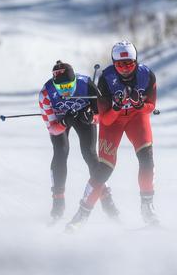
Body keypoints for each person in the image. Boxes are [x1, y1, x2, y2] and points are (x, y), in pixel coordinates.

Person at [66, 41, 158, 230]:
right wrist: (116, 107)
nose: (125, 69)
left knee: (147, 160)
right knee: (104, 169)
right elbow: (105, 120)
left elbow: (151, 106)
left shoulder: (146, 75)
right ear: (114, 63)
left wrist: (140, 105)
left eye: (129, 64)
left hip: (136, 119)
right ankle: (82, 214)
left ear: (136, 61)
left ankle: (147, 207)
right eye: (120, 65)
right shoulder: (106, 79)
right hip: (113, 122)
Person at [38, 61, 119, 221]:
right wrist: (63, 122)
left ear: (74, 80)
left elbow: (103, 116)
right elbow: (52, 128)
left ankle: (105, 198)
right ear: (55, 85)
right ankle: (58, 201)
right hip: (61, 121)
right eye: (61, 88)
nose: (66, 90)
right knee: (61, 151)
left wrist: (91, 117)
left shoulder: (86, 84)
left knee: (89, 154)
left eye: (69, 85)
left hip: (84, 119)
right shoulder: (46, 94)